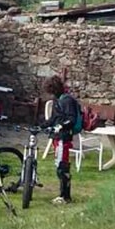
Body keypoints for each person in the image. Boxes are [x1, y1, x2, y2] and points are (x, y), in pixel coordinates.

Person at [42, 75, 77, 205]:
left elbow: (71, 119)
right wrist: (41, 125)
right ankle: (63, 195)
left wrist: (60, 126)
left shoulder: (66, 101)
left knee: (63, 167)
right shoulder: (58, 100)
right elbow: (53, 119)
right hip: (57, 137)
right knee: (59, 165)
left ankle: (65, 196)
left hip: (63, 137)